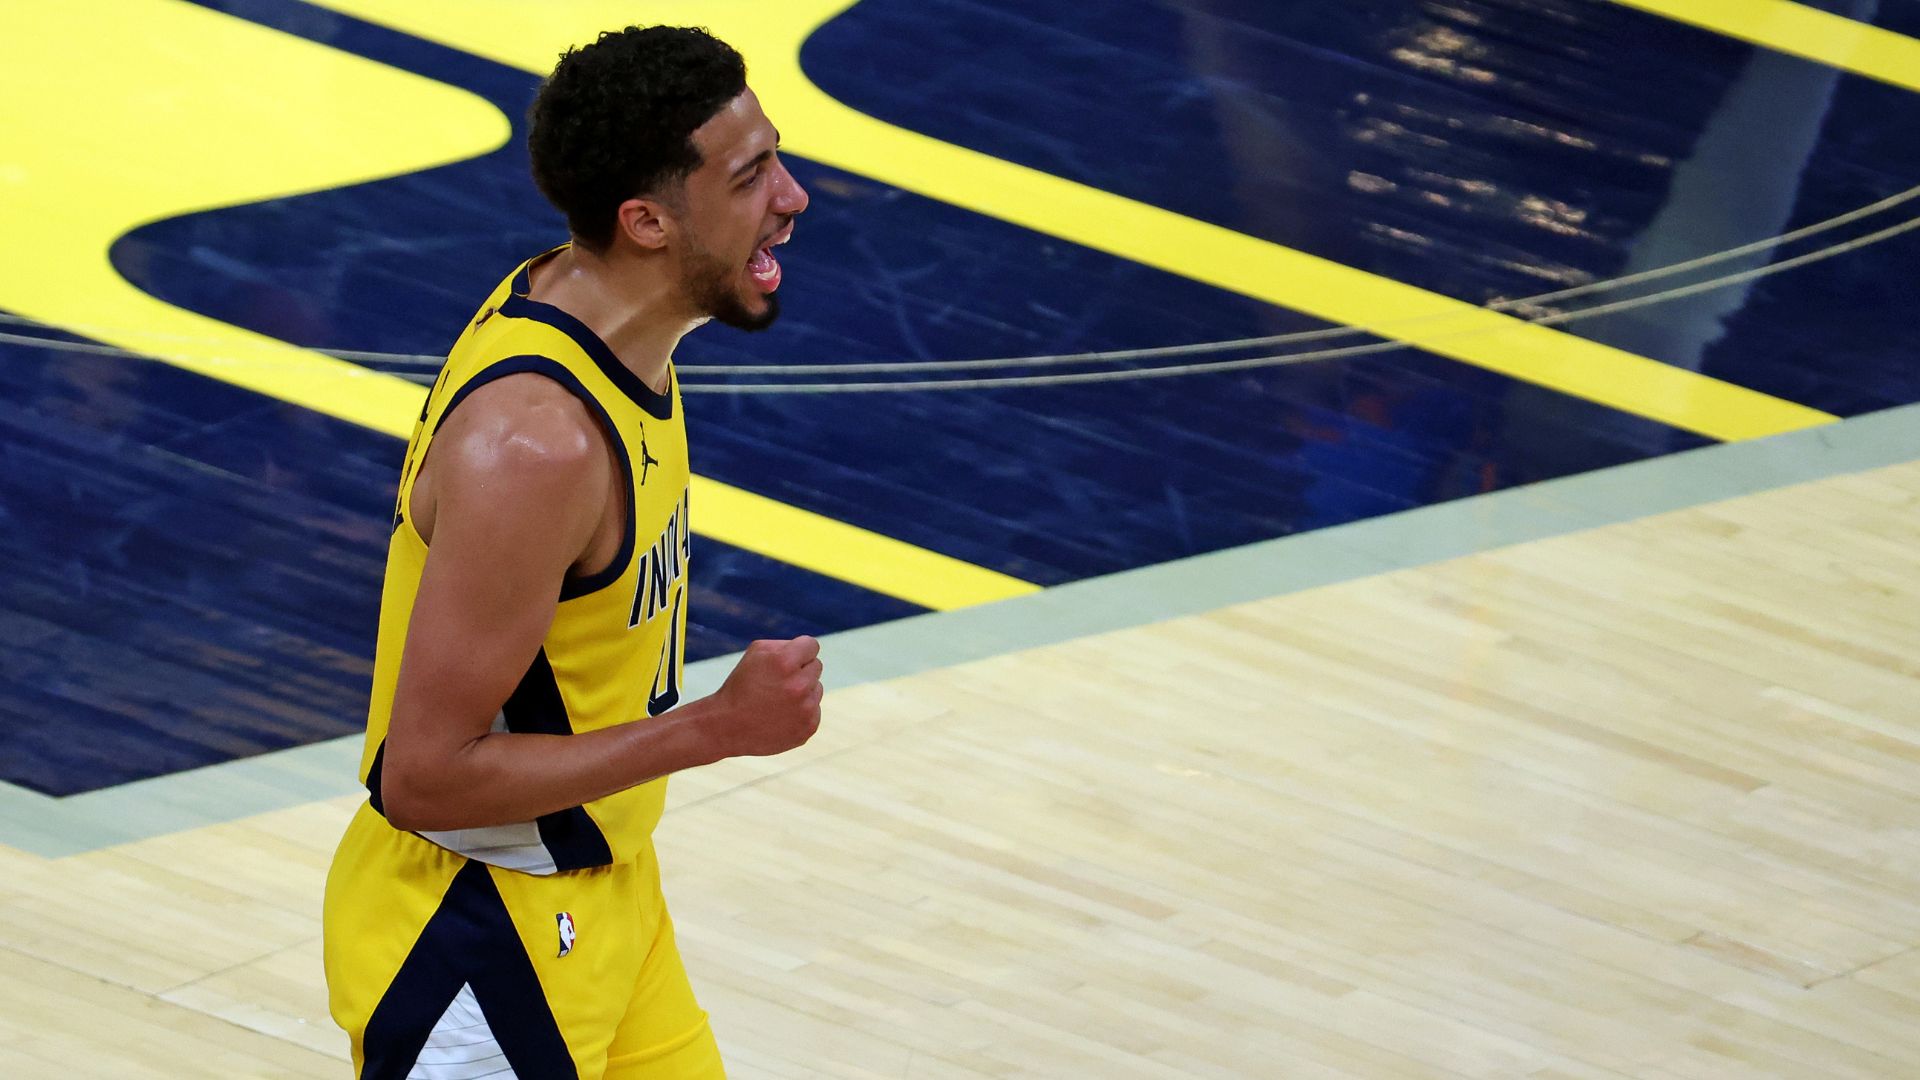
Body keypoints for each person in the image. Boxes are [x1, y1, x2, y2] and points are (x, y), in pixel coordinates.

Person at [323, 25, 818, 1079]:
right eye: (751, 175)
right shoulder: (535, 448)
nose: (792, 195)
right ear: (644, 221)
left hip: (609, 899)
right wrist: (715, 731)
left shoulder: (604, 319)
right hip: (481, 945)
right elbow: (424, 778)